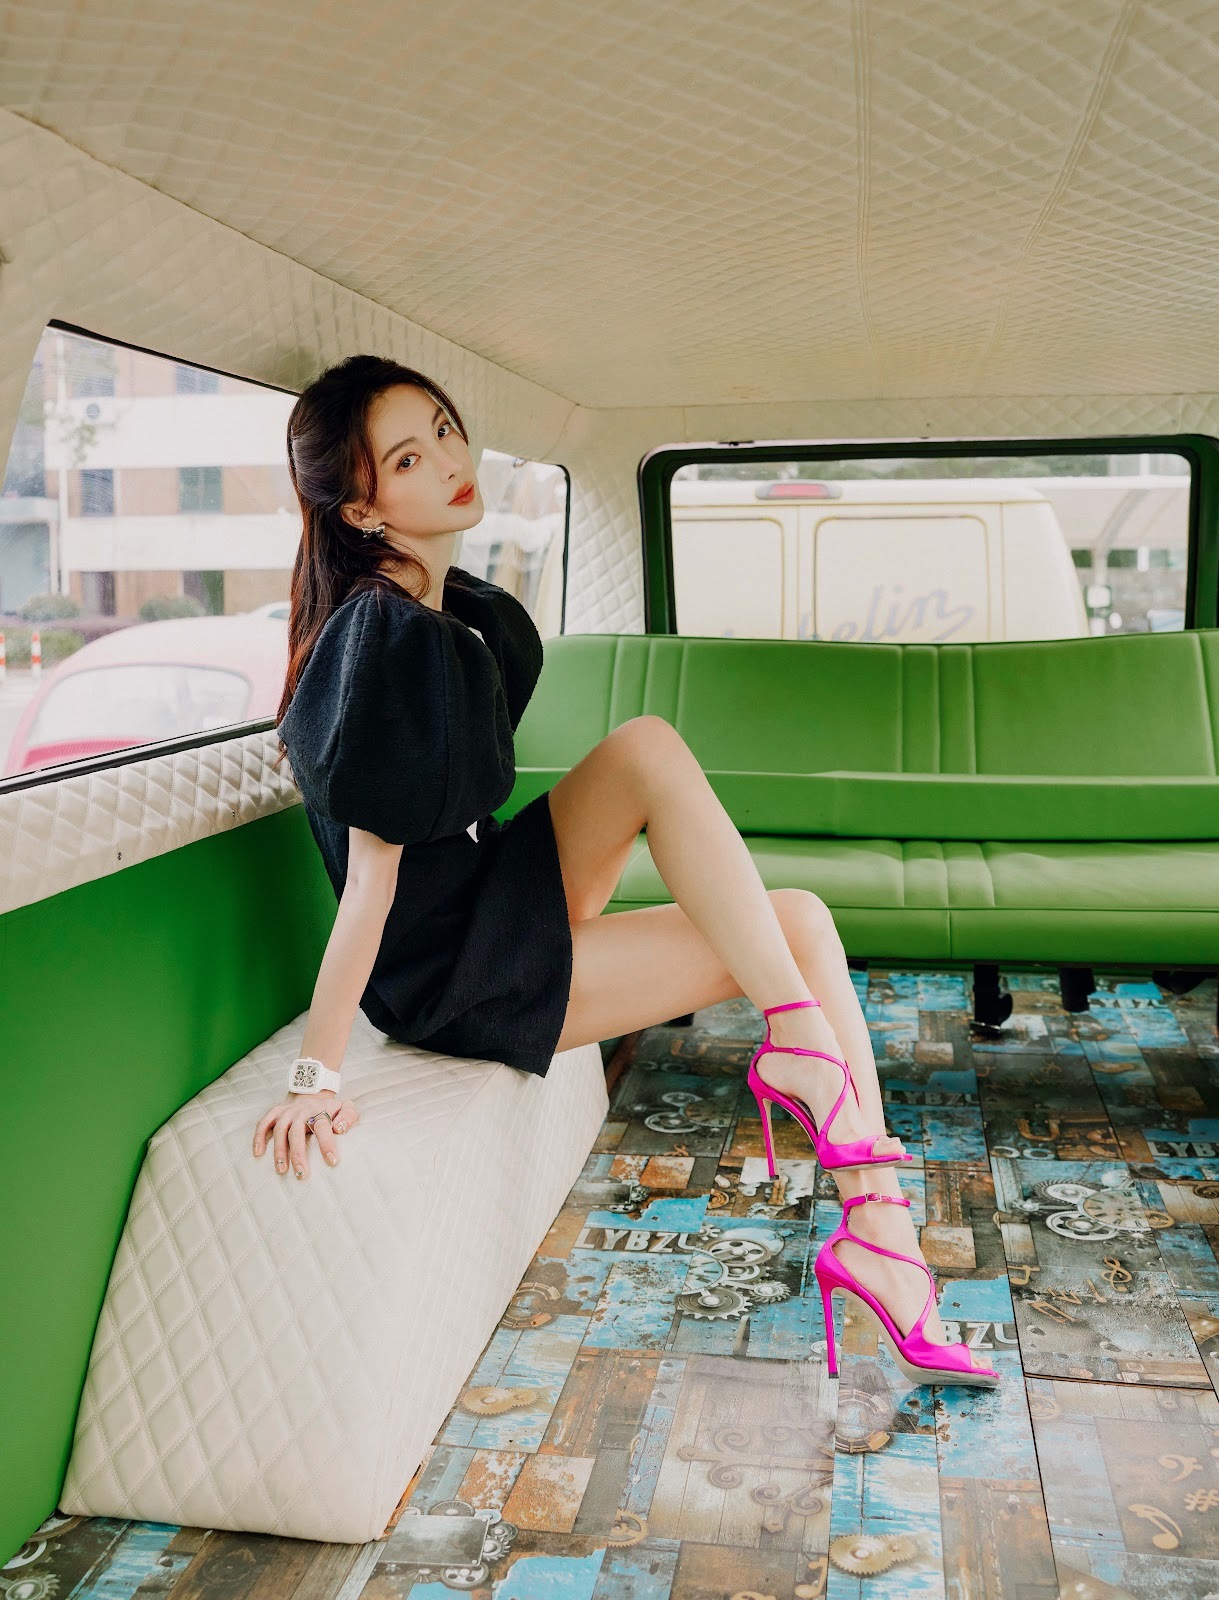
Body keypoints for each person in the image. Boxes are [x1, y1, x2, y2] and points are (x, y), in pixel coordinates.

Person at [252, 353, 995, 1385]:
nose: (453, 463)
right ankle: (875, 1219)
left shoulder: (446, 608)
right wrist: (313, 1077)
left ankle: (868, 1211)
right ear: (363, 510)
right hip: (449, 974)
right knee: (788, 919)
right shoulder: (379, 633)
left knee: (740, 848)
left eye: (444, 431)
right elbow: (371, 883)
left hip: (489, 896)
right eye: (410, 459)